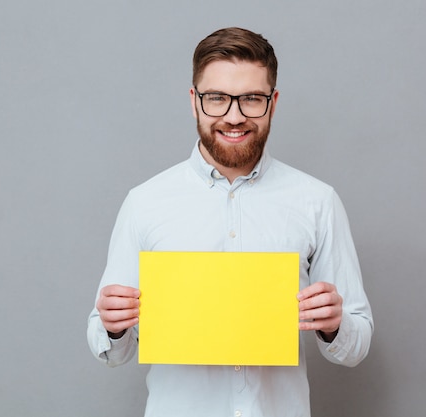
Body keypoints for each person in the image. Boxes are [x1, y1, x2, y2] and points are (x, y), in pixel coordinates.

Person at [87, 27, 373, 417]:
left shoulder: (317, 201)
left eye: (252, 98)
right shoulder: (145, 202)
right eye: (217, 98)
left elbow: (356, 347)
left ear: (272, 103)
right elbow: (109, 350)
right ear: (194, 102)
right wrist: (113, 324)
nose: (234, 116)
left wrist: (335, 324)